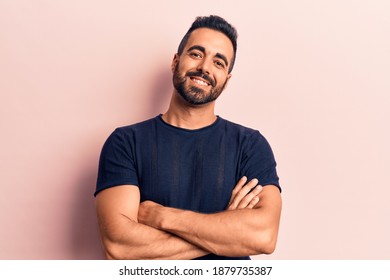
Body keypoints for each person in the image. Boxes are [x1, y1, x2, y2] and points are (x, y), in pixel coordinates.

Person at [94, 15, 282, 260]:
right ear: (175, 61)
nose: (205, 67)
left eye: (219, 62)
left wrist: (162, 217)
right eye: (196, 54)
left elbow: (264, 236)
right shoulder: (125, 143)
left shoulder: (250, 145)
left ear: (227, 79)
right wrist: (227, 231)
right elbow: (119, 248)